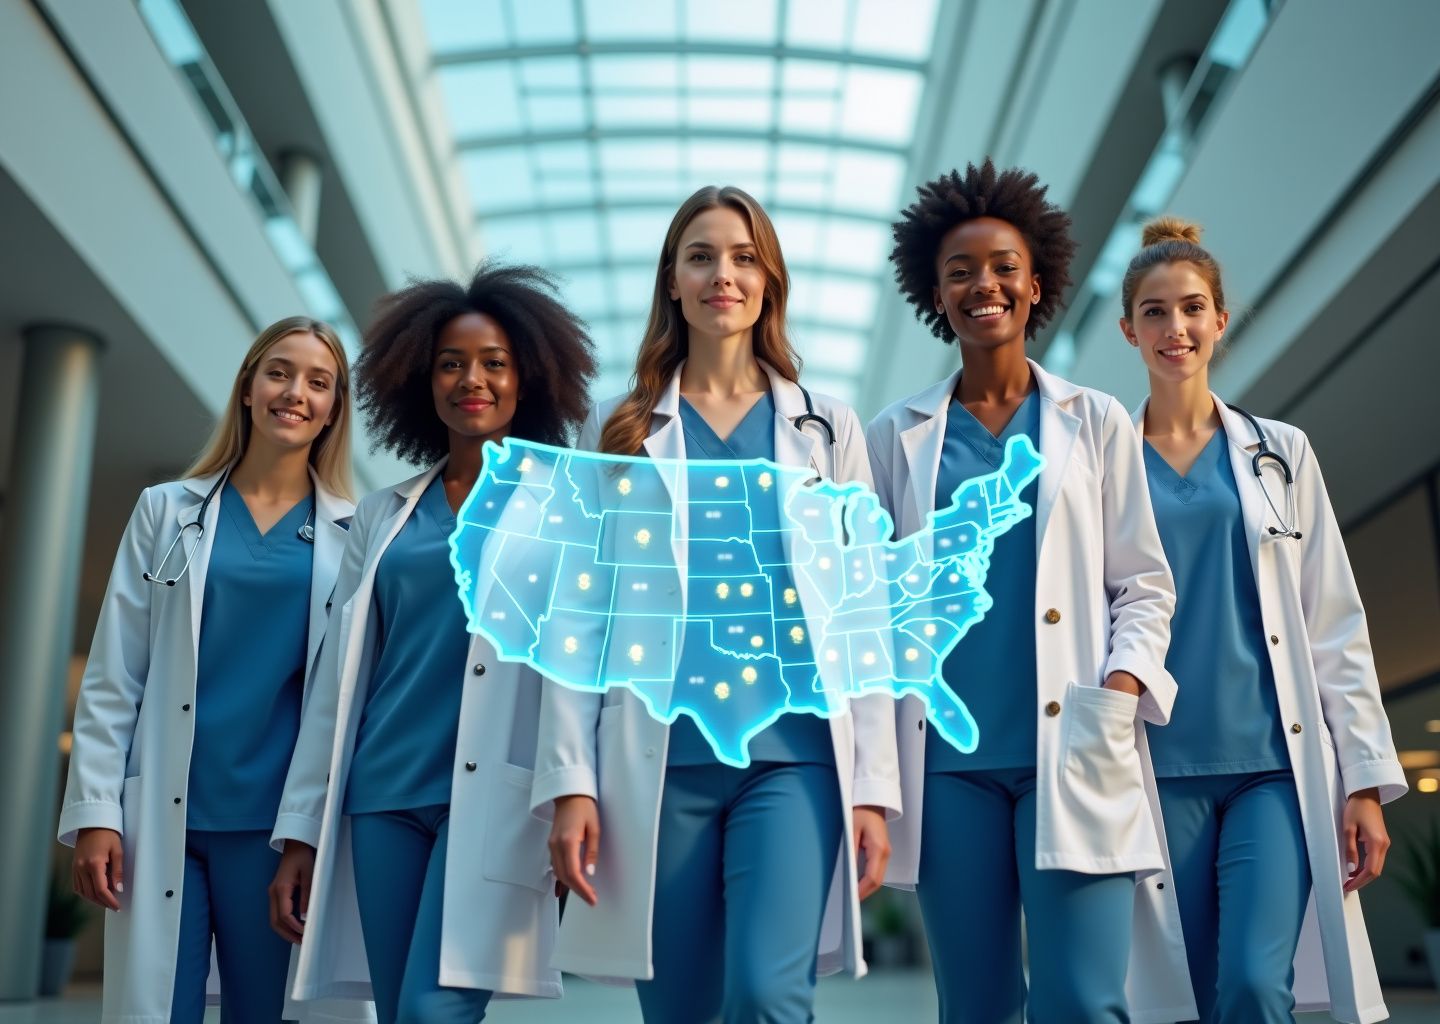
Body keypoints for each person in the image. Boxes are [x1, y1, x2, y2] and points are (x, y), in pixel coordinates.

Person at [535, 185, 901, 1023]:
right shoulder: (616, 429)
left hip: (795, 762)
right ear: (671, 281)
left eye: (742, 258)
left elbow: (863, 613)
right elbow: (572, 622)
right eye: (700, 257)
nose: (721, 275)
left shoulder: (827, 429)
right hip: (658, 769)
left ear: (769, 281)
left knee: (769, 999)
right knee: (681, 1010)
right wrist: (571, 782)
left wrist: (873, 786)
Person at [867, 160, 1179, 1023]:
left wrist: (1118, 690)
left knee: (1084, 1002)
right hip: (949, 767)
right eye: (960, 271)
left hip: (1071, 751)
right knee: (977, 1008)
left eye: (1002, 266)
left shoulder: (1097, 420)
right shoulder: (896, 435)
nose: (983, 285)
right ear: (935, 293)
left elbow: (1145, 584)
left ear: (1035, 284)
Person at [268, 264, 596, 1023]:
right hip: (381, 794)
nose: (470, 380)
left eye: (494, 363)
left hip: (493, 800)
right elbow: (336, 682)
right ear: (421, 379)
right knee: (398, 1011)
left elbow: (583, 663)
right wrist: (301, 834)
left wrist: (574, 790)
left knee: (432, 1011)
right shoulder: (384, 515)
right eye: (451, 363)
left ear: (532, 378)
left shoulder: (565, 505)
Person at [1121, 215, 1406, 1023]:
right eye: (1154, 311)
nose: (1175, 328)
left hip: (1271, 770)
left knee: (1253, 984)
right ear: (1128, 328)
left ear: (1219, 319)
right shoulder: (1102, 461)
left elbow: (1333, 621)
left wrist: (1362, 780)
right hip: (1156, 767)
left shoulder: (1280, 452)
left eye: (1191, 308)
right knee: (1189, 997)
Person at [60, 316, 356, 1022]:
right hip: (164, 815)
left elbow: (345, 697)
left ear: (333, 410)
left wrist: (312, 830)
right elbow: (115, 673)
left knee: (263, 1011)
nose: (296, 393)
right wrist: (97, 811)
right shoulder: (166, 512)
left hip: (275, 828)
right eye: (279, 372)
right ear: (248, 388)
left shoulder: (354, 536)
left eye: (319, 383)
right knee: (162, 1008)